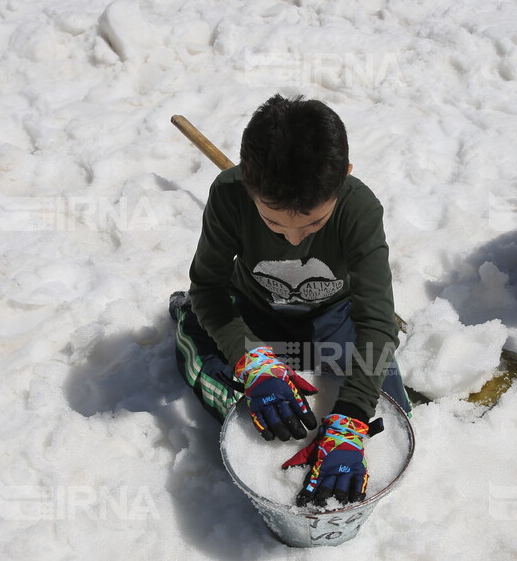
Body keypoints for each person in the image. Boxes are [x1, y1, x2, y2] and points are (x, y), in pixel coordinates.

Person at [170, 94, 409, 505]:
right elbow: (208, 287)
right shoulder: (230, 195)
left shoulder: (359, 209)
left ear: (345, 177)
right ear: (249, 183)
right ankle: (187, 323)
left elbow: (376, 322)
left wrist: (351, 417)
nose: (295, 238)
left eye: (315, 222)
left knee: (391, 411)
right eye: (273, 223)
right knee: (239, 408)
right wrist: (250, 357)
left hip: (332, 314)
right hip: (254, 310)